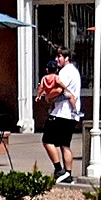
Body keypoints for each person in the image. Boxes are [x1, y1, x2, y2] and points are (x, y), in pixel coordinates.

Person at [41, 46, 81, 184]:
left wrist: (47, 96)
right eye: (56, 57)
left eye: (59, 57)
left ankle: (59, 170)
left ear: (67, 58)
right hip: (71, 114)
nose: (57, 59)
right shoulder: (75, 72)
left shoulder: (64, 72)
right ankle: (67, 174)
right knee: (65, 144)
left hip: (61, 113)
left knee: (47, 140)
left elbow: (58, 89)